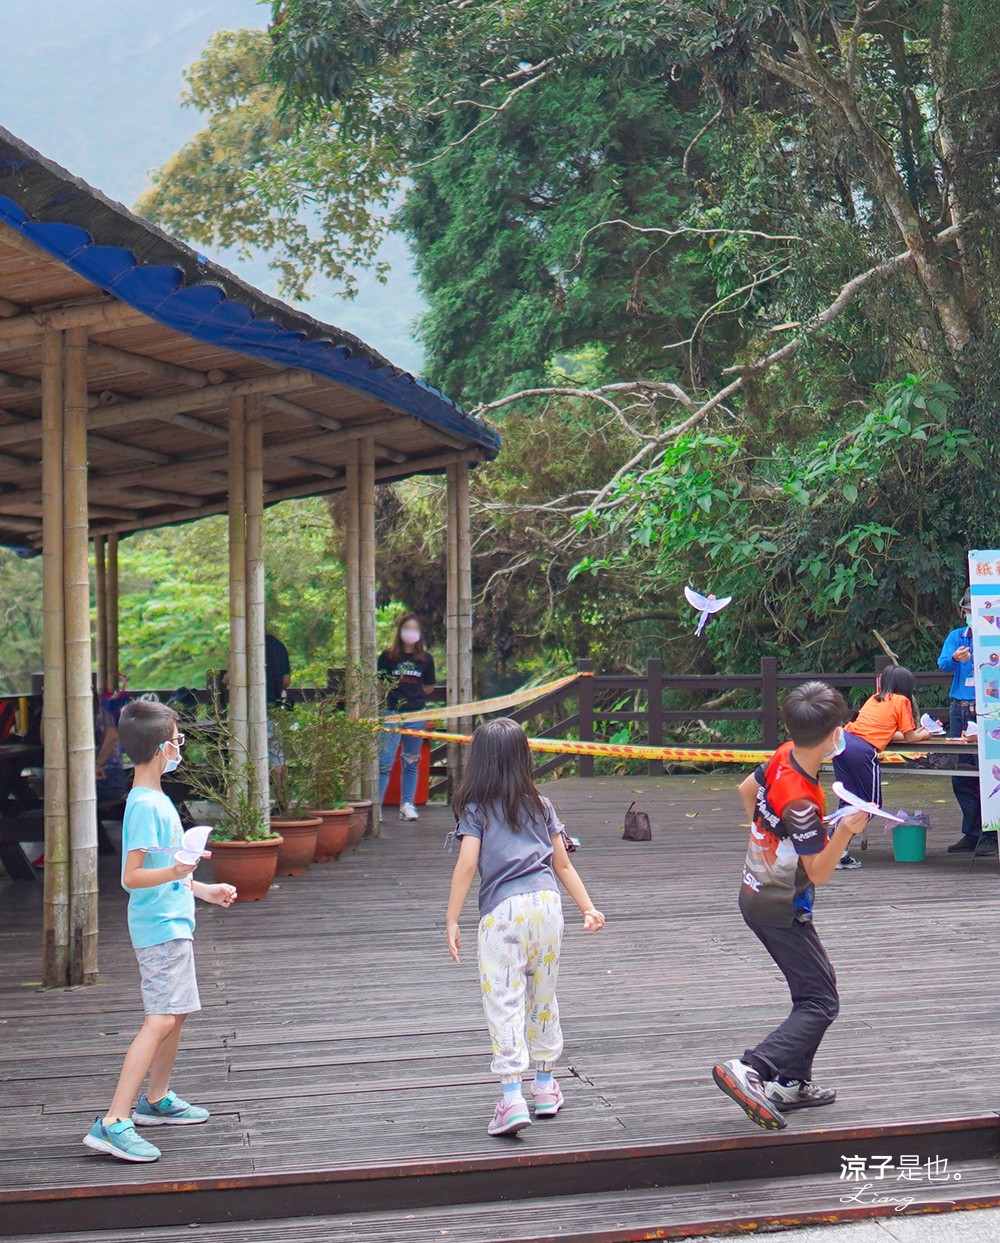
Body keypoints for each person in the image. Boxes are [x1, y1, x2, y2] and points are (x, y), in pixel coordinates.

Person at [82, 700, 237, 1164]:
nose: (180, 748)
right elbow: (132, 877)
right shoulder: (145, 805)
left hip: (174, 921)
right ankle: (113, 1121)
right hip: (159, 928)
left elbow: (165, 868)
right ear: (160, 748)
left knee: (178, 1012)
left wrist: (202, 888)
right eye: (177, 741)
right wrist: (176, 869)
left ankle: (157, 1098)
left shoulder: (156, 801)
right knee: (161, 1018)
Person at [712, 682, 868, 1131]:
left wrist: (771, 836)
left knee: (815, 990)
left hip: (756, 891)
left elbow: (747, 789)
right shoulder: (802, 798)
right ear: (835, 732)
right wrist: (847, 830)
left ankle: (793, 1083)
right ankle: (752, 1069)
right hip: (779, 904)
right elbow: (818, 871)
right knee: (821, 1001)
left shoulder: (784, 754)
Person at [445, 718, 605, 1136]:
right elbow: (562, 863)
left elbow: (466, 865)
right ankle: (547, 1087)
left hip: (503, 913)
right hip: (548, 908)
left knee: (505, 1000)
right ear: (523, 759)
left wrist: (451, 918)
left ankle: (512, 1098)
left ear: (479, 763)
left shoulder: (477, 811)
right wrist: (588, 908)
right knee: (543, 995)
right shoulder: (541, 804)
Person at [832, 666, 940, 870]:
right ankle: (835, 849)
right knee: (870, 806)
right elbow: (910, 738)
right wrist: (925, 734)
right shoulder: (902, 701)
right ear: (906, 686)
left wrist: (918, 733)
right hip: (862, 751)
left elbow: (887, 732)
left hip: (843, 743)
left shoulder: (875, 698)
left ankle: (837, 852)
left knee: (847, 801)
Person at [938, 589, 987, 853]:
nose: (970, 615)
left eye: (974, 611)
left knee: (988, 772)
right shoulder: (956, 636)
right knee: (960, 773)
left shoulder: (992, 638)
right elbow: (942, 663)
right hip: (960, 709)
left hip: (987, 709)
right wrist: (955, 658)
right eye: (967, 611)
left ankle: (990, 832)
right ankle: (972, 831)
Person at [377, 613, 436, 822]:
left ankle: (407, 804)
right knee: (384, 762)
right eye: (407, 628)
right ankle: (377, 808)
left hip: (417, 713)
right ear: (399, 631)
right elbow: (380, 683)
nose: (411, 632)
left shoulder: (426, 659)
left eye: (415, 628)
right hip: (391, 713)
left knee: (411, 761)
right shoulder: (387, 657)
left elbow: (429, 686)